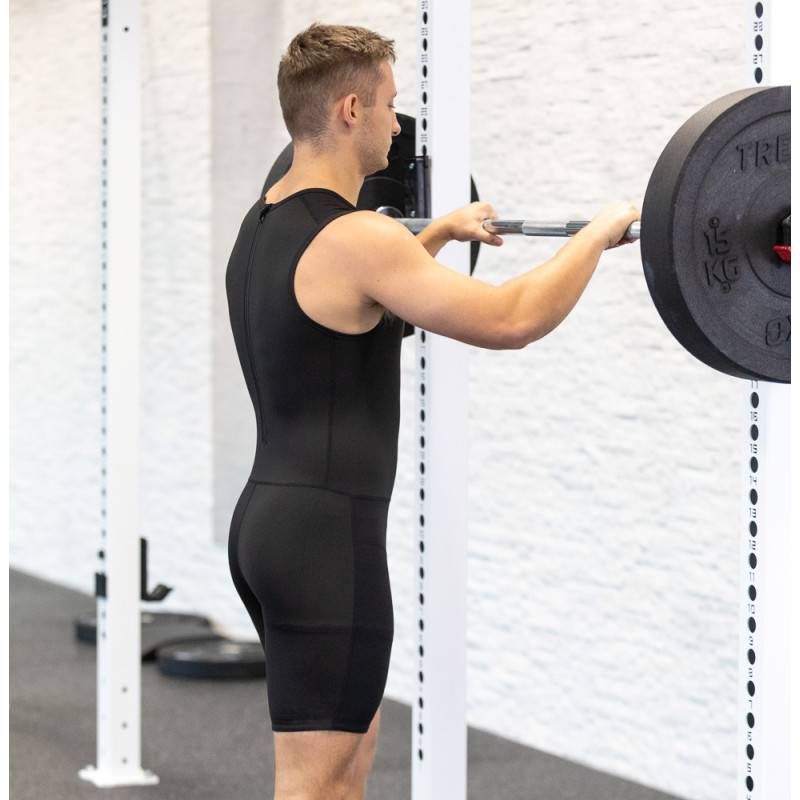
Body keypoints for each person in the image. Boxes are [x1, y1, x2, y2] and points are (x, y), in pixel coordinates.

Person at [225, 21, 640, 800]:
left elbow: (352, 303)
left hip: (271, 524)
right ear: (350, 110)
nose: (397, 124)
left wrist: (441, 231)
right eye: (388, 103)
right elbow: (512, 318)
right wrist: (596, 234)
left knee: (345, 767)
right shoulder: (356, 237)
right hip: (325, 544)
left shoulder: (267, 223)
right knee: (315, 785)